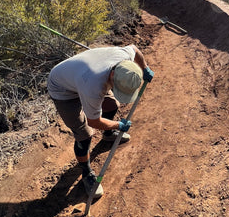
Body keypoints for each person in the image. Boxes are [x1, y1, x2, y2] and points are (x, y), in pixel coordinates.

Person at [47, 44, 154, 198]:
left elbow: (135, 49)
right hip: (63, 90)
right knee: (84, 134)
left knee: (112, 104)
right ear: (112, 76)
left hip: (80, 76)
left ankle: (108, 134)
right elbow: (93, 121)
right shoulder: (94, 86)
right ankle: (86, 173)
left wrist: (144, 68)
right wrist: (119, 124)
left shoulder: (125, 58)